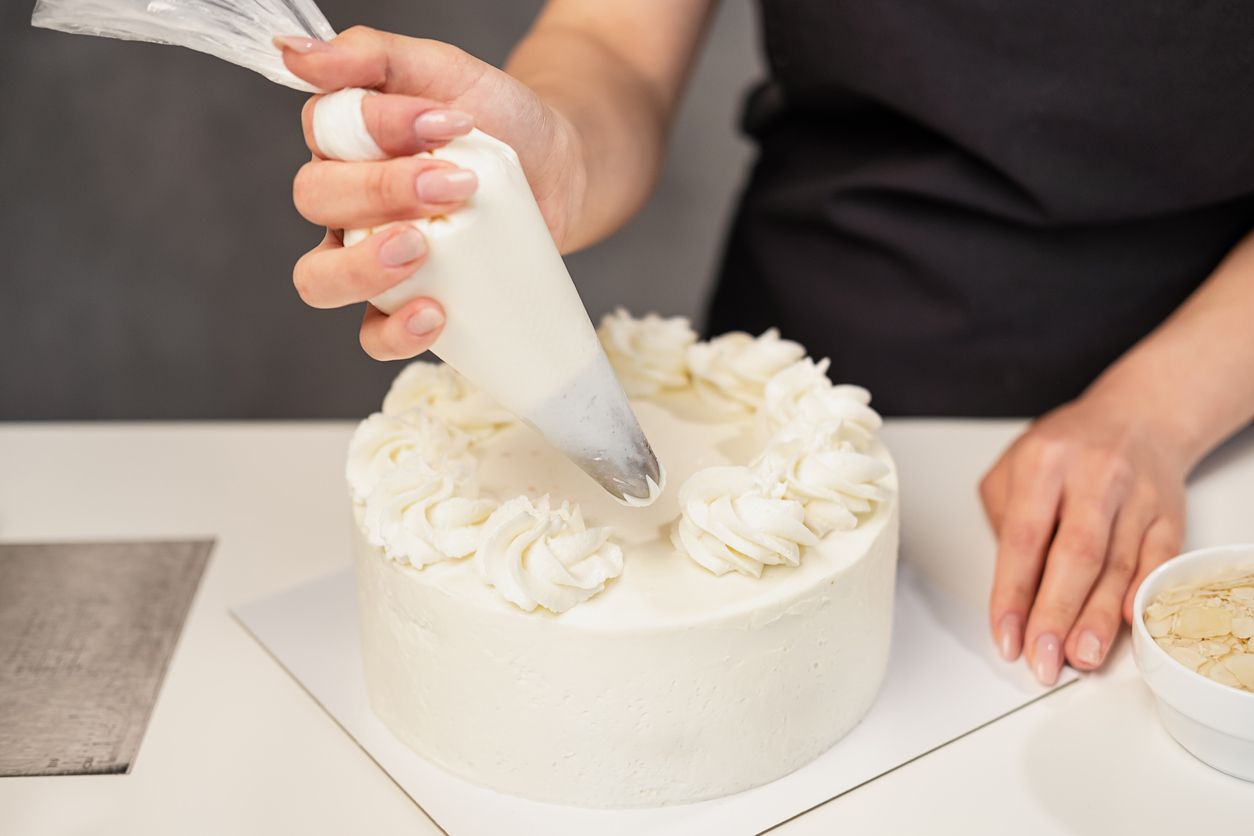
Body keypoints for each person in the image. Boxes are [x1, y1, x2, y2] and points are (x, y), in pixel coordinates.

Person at [273, 1, 1254, 686]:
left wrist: (1155, 412)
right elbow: (612, 37)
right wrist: (556, 148)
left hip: (1210, 415)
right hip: (792, 376)